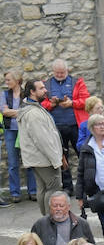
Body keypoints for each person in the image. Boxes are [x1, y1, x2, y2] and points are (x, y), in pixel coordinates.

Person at [17, 81, 63, 213]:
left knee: (43, 188)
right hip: (44, 158)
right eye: (41, 88)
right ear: (32, 91)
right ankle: (50, 220)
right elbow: (42, 140)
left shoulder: (34, 108)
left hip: (39, 158)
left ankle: (45, 220)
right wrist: (55, 160)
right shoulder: (33, 113)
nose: (45, 90)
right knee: (53, 188)